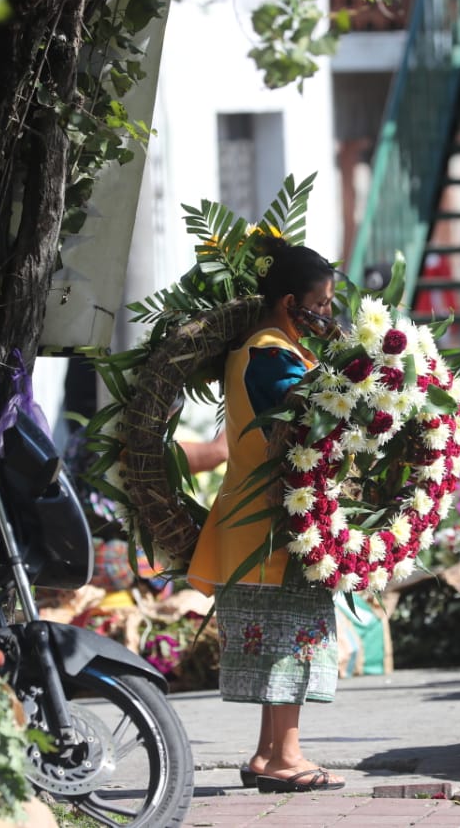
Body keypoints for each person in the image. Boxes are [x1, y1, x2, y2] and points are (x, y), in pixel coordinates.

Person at [186, 237, 344, 794]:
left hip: (261, 521)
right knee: (290, 642)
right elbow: (308, 415)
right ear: (287, 302)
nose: (326, 315)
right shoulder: (270, 352)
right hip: (271, 524)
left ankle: (268, 754)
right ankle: (286, 758)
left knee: (283, 638)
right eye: (320, 304)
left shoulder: (272, 347)